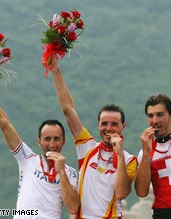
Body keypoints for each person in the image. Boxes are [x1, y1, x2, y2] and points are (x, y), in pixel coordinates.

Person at [0, 74, 80, 219]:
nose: (52, 144)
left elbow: (73, 208)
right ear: (39, 142)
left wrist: (61, 171)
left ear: (63, 142)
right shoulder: (27, 158)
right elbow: (4, 123)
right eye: (47, 139)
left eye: (56, 139)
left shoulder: (71, 173)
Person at [49, 58, 138, 219]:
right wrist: (55, 69)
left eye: (114, 124)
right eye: (104, 123)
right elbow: (68, 109)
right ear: (98, 125)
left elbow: (121, 192)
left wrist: (119, 155)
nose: (108, 128)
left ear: (123, 126)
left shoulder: (130, 160)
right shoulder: (86, 146)